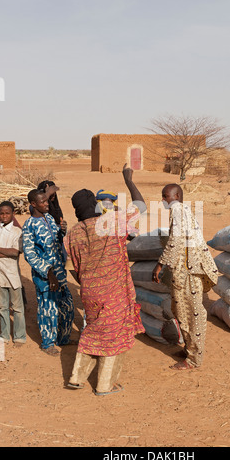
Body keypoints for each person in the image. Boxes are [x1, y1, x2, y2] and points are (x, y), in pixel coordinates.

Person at [65, 164, 146, 395]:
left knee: (93, 330)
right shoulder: (112, 222)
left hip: (89, 291)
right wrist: (128, 179)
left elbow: (73, 267)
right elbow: (140, 206)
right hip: (114, 292)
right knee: (114, 335)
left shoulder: (73, 233)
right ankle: (104, 385)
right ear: (96, 205)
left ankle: (77, 377)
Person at [152, 184, 218, 370]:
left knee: (192, 313)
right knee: (181, 309)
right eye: (163, 196)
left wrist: (160, 264)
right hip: (185, 269)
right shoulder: (183, 210)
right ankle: (189, 349)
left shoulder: (178, 209)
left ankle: (194, 359)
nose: (164, 200)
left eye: (166, 196)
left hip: (189, 271)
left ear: (177, 195)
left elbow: (175, 240)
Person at [22, 189, 74, 356]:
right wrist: (48, 272)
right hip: (45, 277)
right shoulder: (29, 225)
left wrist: (62, 231)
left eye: (47, 200)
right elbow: (29, 254)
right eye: (43, 201)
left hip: (60, 272)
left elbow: (57, 242)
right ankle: (48, 343)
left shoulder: (50, 218)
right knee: (48, 309)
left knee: (67, 306)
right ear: (33, 204)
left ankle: (63, 339)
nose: (47, 204)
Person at [0, 201, 26, 346]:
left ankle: (19, 336)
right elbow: (9, 252)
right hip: (0, 275)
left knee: (17, 308)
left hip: (12, 275)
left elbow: (15, 252)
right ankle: (4, 334)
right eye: (1, 213)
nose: (4, 216)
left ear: (13, 214)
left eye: (7, 213)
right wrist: (5, 252)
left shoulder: (17, 231)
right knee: (2, 306)